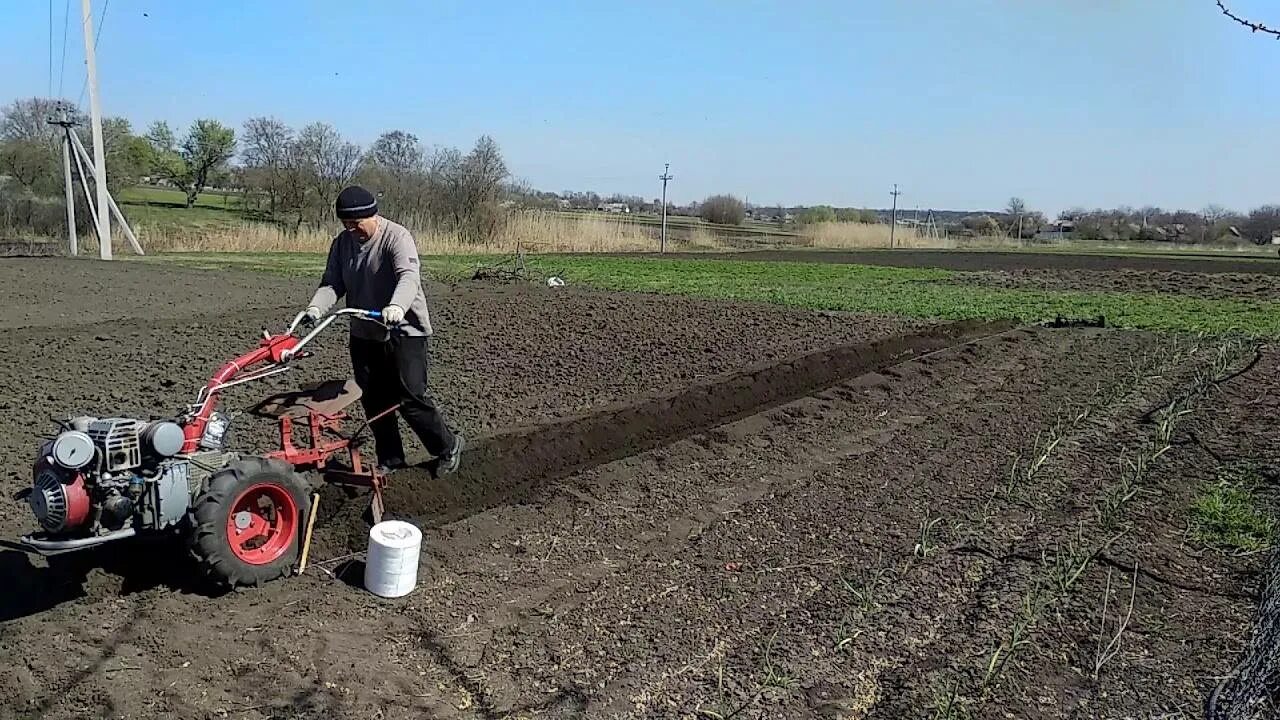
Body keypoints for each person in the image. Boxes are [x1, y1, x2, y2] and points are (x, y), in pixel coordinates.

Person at [304, 185, 464, 475]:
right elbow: (332, 283)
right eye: (346, 224)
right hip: (365, 333)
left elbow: (408, 278)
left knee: (410, 397)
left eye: (357, 223)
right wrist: (315, 308)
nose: (352, 230)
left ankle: (447, 446)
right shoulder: (342, 244)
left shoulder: (396, 237)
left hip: (404, 331)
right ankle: (391, 459)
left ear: (372, 215)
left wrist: (397, 307)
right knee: (375, 399)